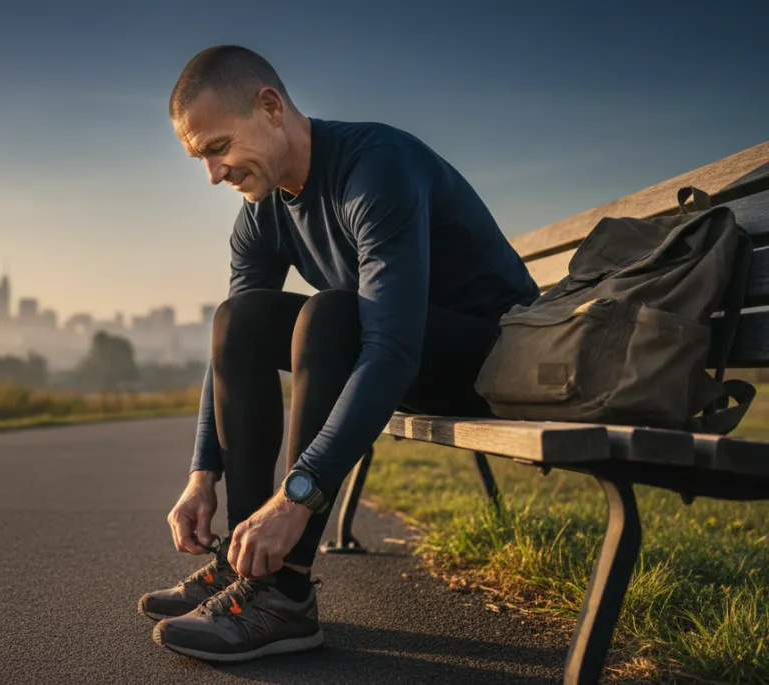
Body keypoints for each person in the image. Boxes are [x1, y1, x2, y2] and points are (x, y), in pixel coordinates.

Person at [138, 45, 539, 662]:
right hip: (394, 354)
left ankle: (285, 593)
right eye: (201, 159)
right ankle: (247, 567)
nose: (214, 174)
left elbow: (390, 347)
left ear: (271, 108)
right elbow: (231, 346)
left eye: (219, 147)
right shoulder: (261, 212)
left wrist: (296, 496)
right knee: (238, 318)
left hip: (491, 362)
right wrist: (202, 472)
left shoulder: (376, 168)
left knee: (330, 314)